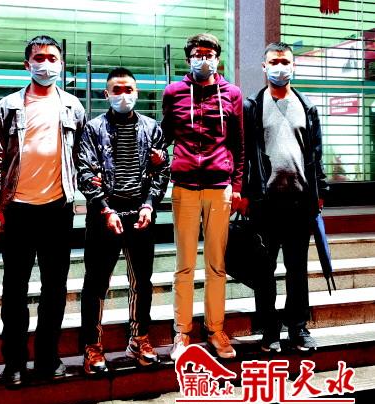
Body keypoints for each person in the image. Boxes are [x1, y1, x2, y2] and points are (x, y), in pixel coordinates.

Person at [0, 35, 85, 387]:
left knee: (55, 289)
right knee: (15, 290)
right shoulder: (8, 106)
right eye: (39, 58)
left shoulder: (72, 106)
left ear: (61, 64)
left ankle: (47, 357)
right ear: (27, 64)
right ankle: (14, 362)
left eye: (52, 58)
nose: (45, 64)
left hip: (58, 209)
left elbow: (80, 155)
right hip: (18, 210)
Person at [76, 67, 169, 374]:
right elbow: (85, 172)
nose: (123, 95)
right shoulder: (93, 129)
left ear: (137, 92)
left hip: (141, 214)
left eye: (128, 89)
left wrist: (149, 205)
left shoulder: (152, 128)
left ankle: (139, 339)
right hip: (104, 215)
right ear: (106, 94)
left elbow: (162, 171)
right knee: (95, 282)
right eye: (117, 90)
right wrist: (104, 208)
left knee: (142, 282)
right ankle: (92, 346)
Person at [241, 42, 328, 353]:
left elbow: (315, 153)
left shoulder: (307, 106)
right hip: (265, 203)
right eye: (274, 62)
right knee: (264, 271)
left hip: (300, 201)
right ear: (264, 67)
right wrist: (244, 193)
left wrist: (320, 191)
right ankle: (269, 331)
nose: (280, 67)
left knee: (297, 269)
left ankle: (298, 327)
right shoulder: (252, 106)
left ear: (293, 65)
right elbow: (244, 154)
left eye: (285, 61)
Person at [161, 33, 244, 360]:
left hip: (219, 187)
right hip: (184, 186)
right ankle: (182, 332)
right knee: (184, 266)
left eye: (209, 54)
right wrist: (161, 161)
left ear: (217, 59)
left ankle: (215, 329)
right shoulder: (174, 92)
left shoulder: (232, 94)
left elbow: (238, 144)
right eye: (198, 54)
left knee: (216, 265)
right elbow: (165, 135)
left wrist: (237, 185)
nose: (203, 59)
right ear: (188, 59)